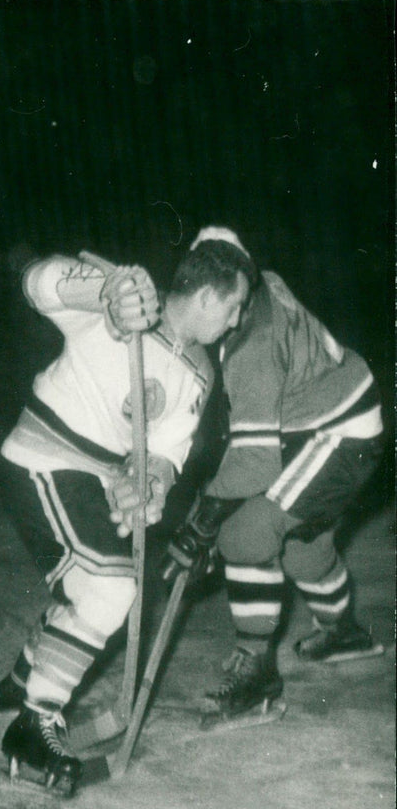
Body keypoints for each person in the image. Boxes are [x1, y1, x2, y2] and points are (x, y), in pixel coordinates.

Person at [0, 240, 257, 793]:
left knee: (93, 582)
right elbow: (35, 279)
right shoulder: (124, 306)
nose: (235, 322)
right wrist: (100, 290)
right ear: (206, 296)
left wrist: (150, 483)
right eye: (232, 307)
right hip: (43, 460)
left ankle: (25, 677)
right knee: (110, 588)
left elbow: (168, 448)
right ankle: (35, 721)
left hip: (94, 479)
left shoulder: (202, 371)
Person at [151, 227, 385, 723]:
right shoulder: (263, 283)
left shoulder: (251, 344)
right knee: (302, 544)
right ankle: (344, 633)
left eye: (237, 305)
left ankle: (257, 672)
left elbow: (256, 460)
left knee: (246, 532)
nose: (235, 316)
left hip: (339, 433)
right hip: (338, 414)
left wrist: (203, 522)